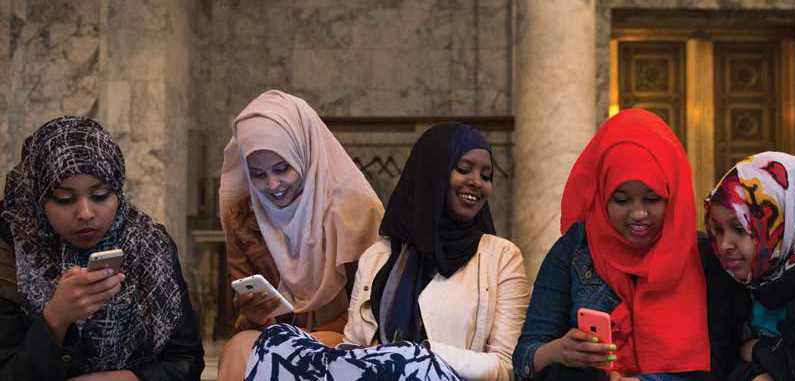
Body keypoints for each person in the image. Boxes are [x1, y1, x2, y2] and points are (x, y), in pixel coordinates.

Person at [243, 122, 530, 381]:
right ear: (432, 174)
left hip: (443, 375)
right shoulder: (378, 256)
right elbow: (353, 348)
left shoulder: (502, 257)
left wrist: (415, 355)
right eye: (464, 169)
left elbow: (505, 366)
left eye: (487, 175)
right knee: (276, 340)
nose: (477, 182)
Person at [512, 109, 711, 381]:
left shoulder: (701, 256)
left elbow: (721, 364)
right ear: (602, 196)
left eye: (652, 200)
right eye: (621, 200)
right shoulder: (575, 250)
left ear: (671, 197)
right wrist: (559, 351)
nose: (638, 214)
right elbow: (524, 356)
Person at [0, 116, 204, 381]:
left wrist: (130, 378)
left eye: (100, 195)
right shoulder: (10, 247)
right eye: (64, 199)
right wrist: (56, 319)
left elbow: (186, 361)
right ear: (39, 199)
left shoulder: (150, 244)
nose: (85, 213)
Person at [216, 91, 384, 380]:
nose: (272, 185)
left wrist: (305, 338)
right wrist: (253, 315)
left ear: (305, 153)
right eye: (257, 174)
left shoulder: (356, 210)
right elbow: (243, 312)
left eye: (282, 169)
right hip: (274, 341)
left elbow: (373, 312)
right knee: (238, 348)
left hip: (346, 341)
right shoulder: (242, 216)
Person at [704, 151, 795, 381]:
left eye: (740, 228)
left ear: (788, 217)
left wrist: (761, 352)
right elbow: (722, 362)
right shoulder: (742, 274)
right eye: (719, 230)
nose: (724, 245)